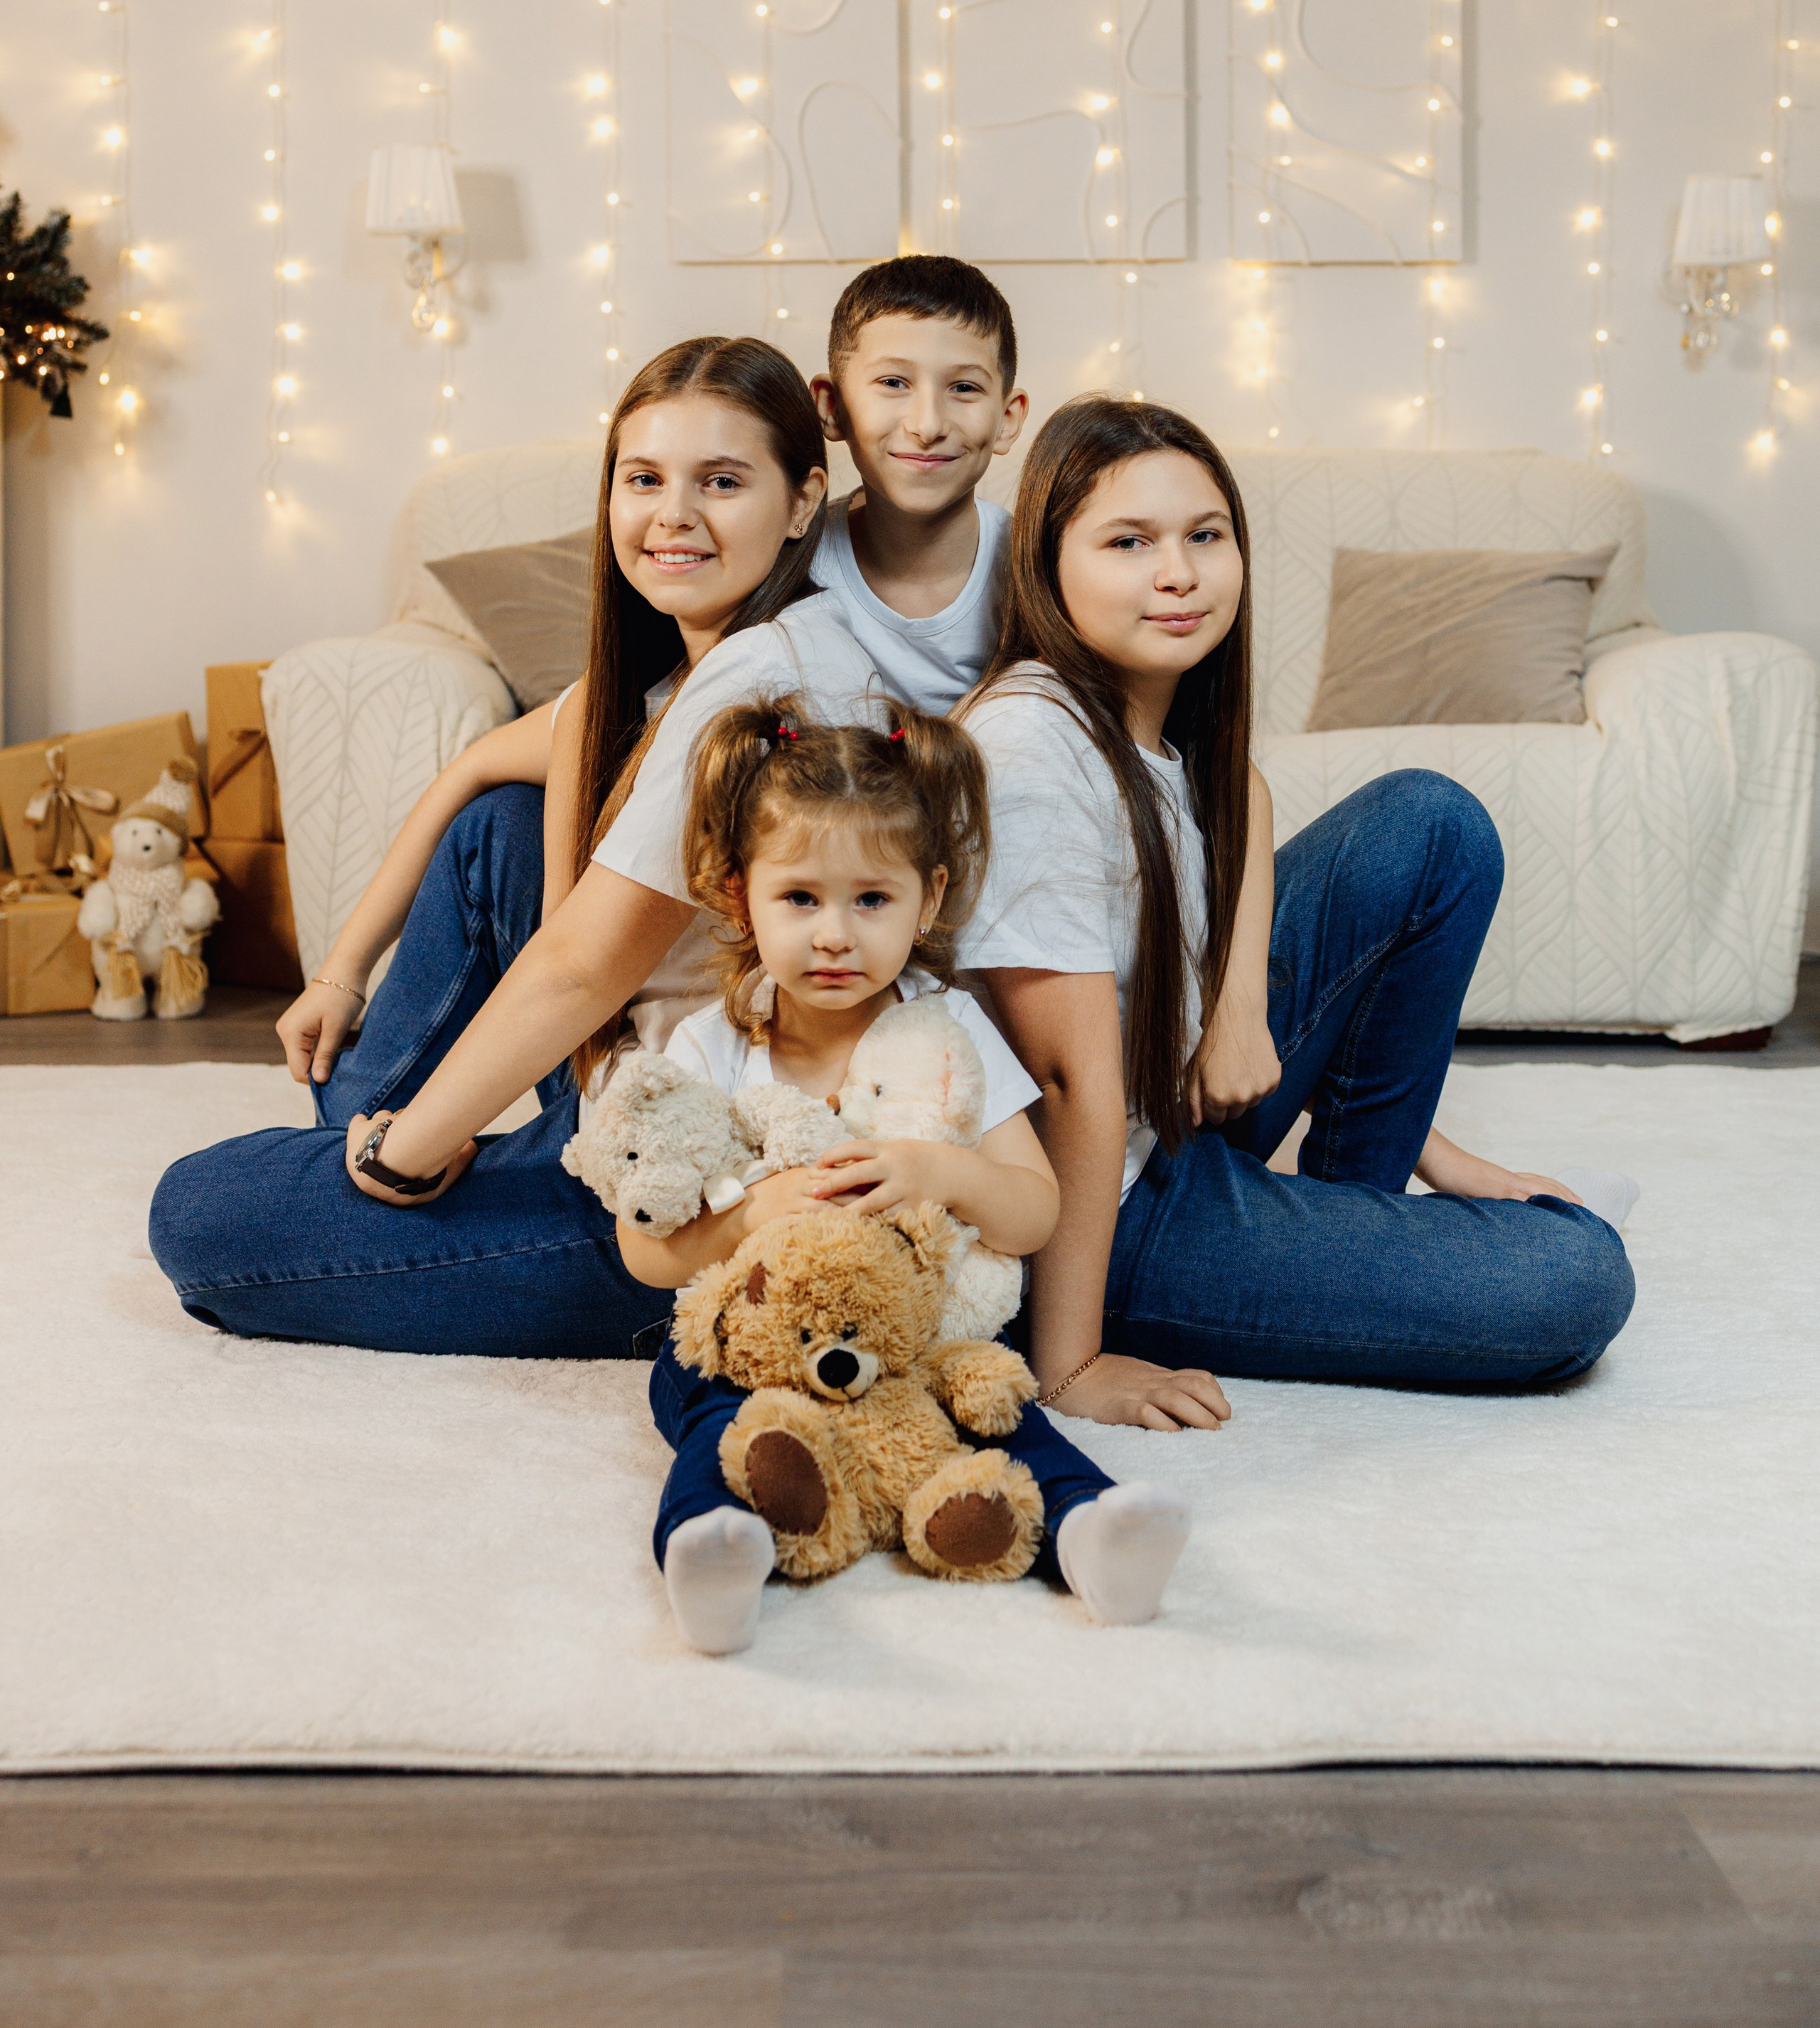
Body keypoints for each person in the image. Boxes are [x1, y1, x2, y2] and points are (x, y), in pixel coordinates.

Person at [148, 338, 895, 1357]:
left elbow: (580, 966)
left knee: (199, 1212)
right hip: (628, 1077)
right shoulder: (701, 663)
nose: (673, 514)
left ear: (805, 500)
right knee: (495, 824)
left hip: (696, 1182)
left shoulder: (758, 686)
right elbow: (471, 775)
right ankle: (365, 1158)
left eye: (722, 481)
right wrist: (338, 975)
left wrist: (404, 1157)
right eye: (644, 479)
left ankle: (373, 1169)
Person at [957, 393, 1639, 1432]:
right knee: (1576, 1279)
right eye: (1129, 542)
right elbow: (1065, 1080)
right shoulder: (1033, 750)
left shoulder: (1161, 739)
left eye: (1205, 535)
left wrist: (1246, 1017)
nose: (1179, 572)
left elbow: (1244, 796)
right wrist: (1072, 1365)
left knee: (1431, 823)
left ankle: (1345, 1219)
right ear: (1048, 565)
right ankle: (1313, 1264)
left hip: (1166, 1124)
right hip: (1090, 1211)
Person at [625, 698, 1188, 1653]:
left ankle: (1090, 1531)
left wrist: (939, 1170)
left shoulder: (949, 1033)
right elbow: (643, 1248)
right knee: (695, 1385)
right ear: (738, 895)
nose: (836, 935)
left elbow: (1034, 1212)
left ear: (927, 901)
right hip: (765, 1344)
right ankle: (717, 1553)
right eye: (799, 898)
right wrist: (753, 1209)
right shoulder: (709, 1047)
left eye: (871, 900)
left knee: (995, 1406)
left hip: (913, 1345)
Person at [809, 255, 1027, 713]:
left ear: (1007, 421)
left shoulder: (1036, 571)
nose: (928, 426)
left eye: (964, 388)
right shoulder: (796, 562)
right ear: (832, 407)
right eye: (893, 382)